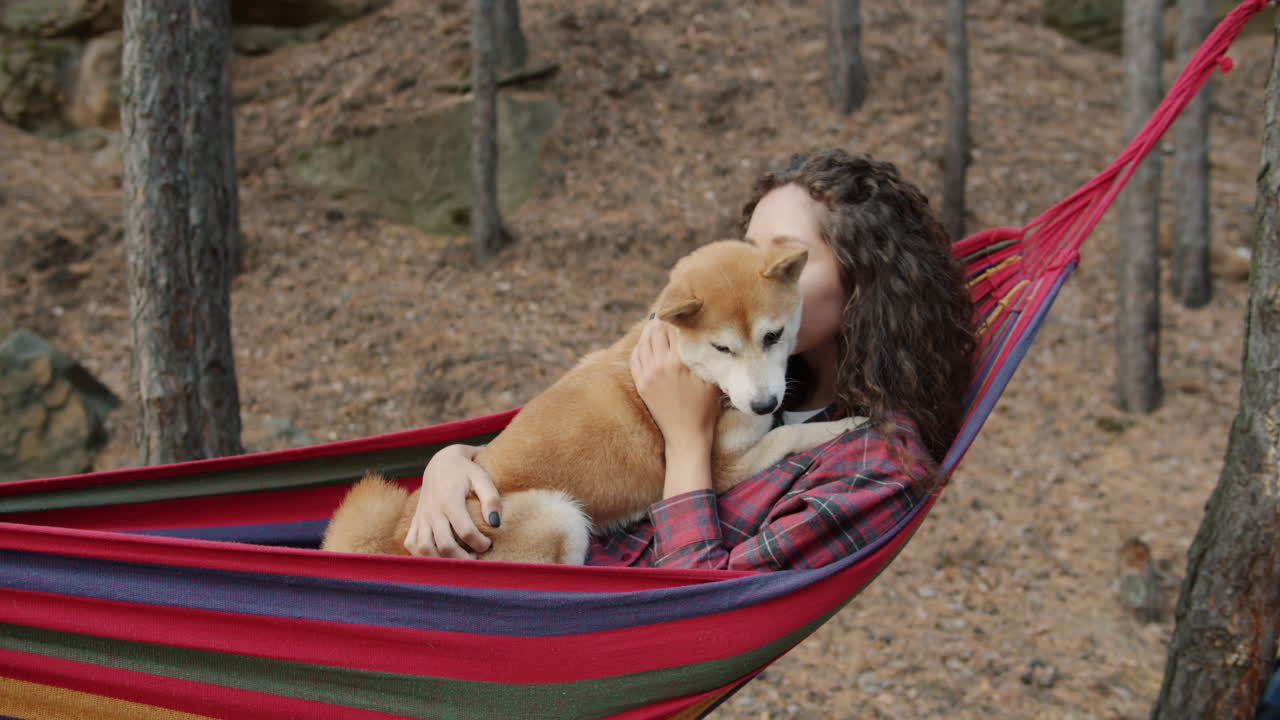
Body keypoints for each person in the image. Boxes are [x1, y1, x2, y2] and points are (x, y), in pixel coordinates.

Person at [402, 149, 976, 570]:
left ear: (865, 281)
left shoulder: (874, 466)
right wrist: (456, 461)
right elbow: (570, 435)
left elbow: (701, 607)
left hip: (595, 632)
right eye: (750, 250)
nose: (759, 275)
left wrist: (685, 440)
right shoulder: (712, 360)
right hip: (496, 561)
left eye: (788, 259)